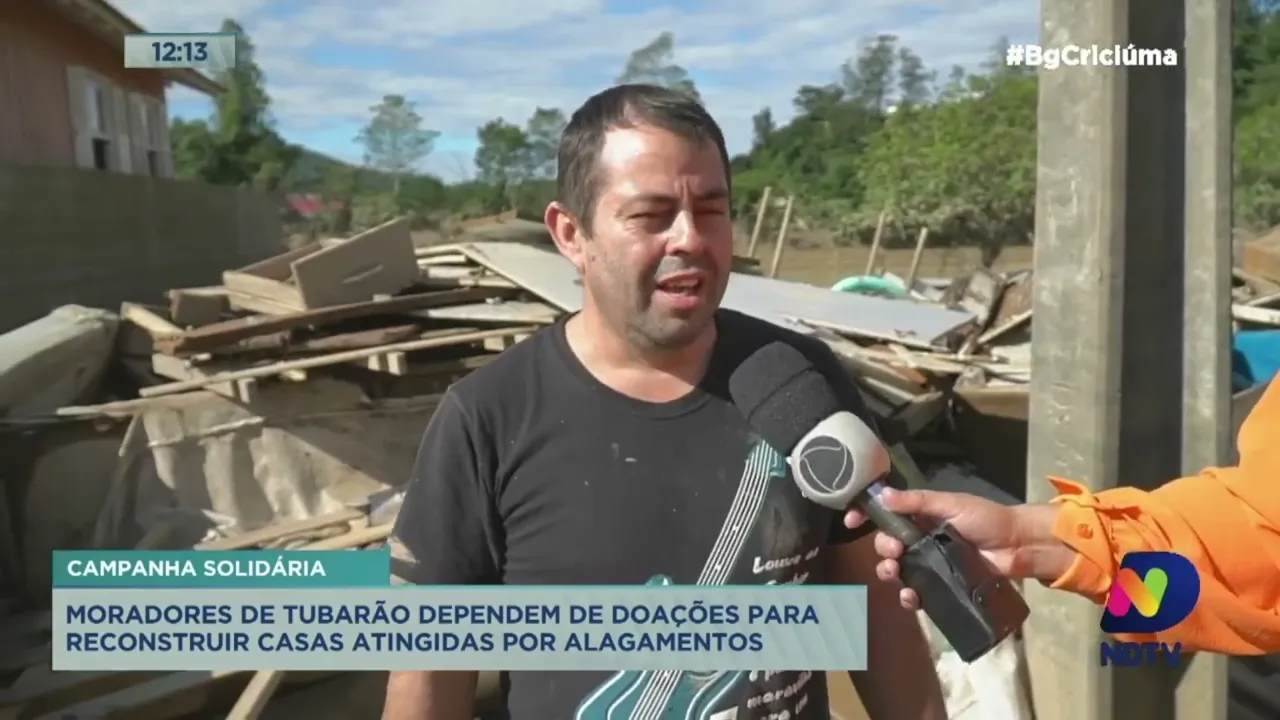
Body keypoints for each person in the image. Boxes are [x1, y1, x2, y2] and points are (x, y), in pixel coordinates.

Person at [382, 84, 945, 720]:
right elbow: (428, 672)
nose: (689, 239)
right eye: (650, 216)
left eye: (711, 210)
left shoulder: (798, 381)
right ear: (571, 233)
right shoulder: (488, 418)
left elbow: (875, 608)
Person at [844, 375, 1280, 655]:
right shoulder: (803, 393)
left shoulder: (812, 379)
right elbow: (1259, 531)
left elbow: (864, 624)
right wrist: (1027, 540)